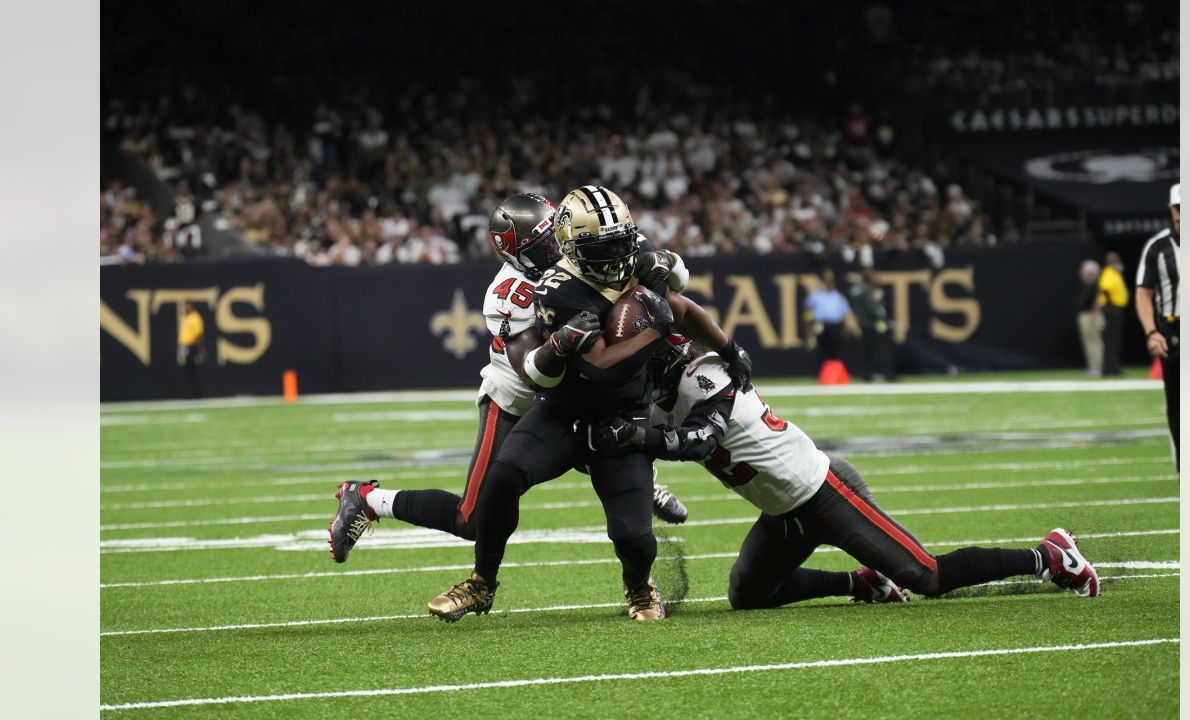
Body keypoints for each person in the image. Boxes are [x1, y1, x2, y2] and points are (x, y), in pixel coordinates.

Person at [426, 185, 753, 622]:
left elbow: (681, 302)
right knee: (502, 477)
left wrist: (728, 346)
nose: (619, 255)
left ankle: (638, 585)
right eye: (603, 247)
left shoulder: (634, 251)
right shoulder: (556, 290)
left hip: (621, 413)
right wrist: (563, 344)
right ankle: (482, 582)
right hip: (564, 408)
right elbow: (559, 371)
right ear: (570, 248)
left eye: (623, 241)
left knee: (634, 535)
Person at [590, 341, 1102, 608]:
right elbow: (643, 445)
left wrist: (638, 439)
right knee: (748, 596)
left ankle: (1051, 556)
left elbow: (697, 440)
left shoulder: (707, 377)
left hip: (826, 492)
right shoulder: (660, 398)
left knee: (928, 577)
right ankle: (862, 583)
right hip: (782, 511)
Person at [326, 193, 691, 565]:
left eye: (554, 236)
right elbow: (536, 377)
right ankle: (368, 499)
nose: (554, 250)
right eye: (541, 246)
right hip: (519, 398)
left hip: (580, 391)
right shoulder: (512, 294)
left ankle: (643, 486)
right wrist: (562, 341)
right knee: (473, 519)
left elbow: (678, 278)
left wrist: (664, 262)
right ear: (518, 256)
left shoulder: (591, 244)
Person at [1135, 182, 1181, 470]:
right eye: (1179, 208)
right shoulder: (1158, 247)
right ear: (1170, 209)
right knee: (1177, 404)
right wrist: (1151, 331)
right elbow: (1143, 292)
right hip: (1173, 330)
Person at [803, 269, 855, 371]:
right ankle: (821, 375)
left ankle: (834, 374)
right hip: (820, 325)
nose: (829, 282)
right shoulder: (815, 296)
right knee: (822, 351)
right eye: (826, 280)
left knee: (835, 352)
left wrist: (846, 327)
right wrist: (809, 327)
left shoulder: (838, 297)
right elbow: (807, 312)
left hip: (835, 326)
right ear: (822, 281)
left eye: (831, 280)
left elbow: (844, 314)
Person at [848, 268, 894, 381]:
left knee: (867, 351)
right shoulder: (866, 289)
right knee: (879, 350)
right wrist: (880, 315)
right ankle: (884, 374)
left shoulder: (856, 288)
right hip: (871, 324)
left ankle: (867, 374)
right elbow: (871, 308)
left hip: (861, 323)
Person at [1098, 251, 1129, 376]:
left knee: (1115, 340)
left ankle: (1114, 367)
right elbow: (1105, 289)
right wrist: (1111, 307)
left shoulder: (1116, 274)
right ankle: (1109, 369)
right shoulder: (1108, 273)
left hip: (1117, 309)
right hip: (1111, 311)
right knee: (1111, 340)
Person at [1077, 259, 1104, 377]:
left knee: (1095, 341)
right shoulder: (1088, 285)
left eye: (1083, 271)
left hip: (1092, 316)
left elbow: (1099, 300)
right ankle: (1092, 366)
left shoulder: (1097, 284)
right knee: (1089, 342)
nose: (1081, 274)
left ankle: (1098, 366)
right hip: (1086, 315)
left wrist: (1094, 313)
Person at [177, 302, 205, 398]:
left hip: (192, 346)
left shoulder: (195, 318)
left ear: (192, 306)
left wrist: (200, 351)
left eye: (187, 306)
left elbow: (199, 336)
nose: (185, 308)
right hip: (185, 346)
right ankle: (190, 394)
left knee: (192, 371)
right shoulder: (186, 318)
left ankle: (196, 395)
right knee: (187, 371)